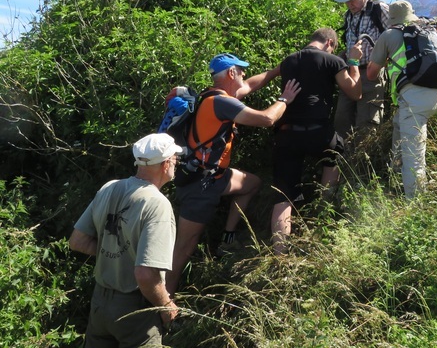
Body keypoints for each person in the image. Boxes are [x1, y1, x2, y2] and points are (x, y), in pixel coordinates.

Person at [166, 53, 301, 295]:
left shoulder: (214, 96)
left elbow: (249, 85)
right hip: (200, 185)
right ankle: (163, 305)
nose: (244, 75)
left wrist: (276, 71)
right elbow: (267, 119)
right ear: (231, 74)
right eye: (241, 70)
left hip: (216, 176)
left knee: (252, 184)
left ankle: (227, 240)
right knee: (183, 249)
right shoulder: (222, 103)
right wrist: (285, 99)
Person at [69, 133, 183, 347]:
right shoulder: (157, 204)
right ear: (166, 163)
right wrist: (167, 307)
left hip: (100, 304)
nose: (176, 163)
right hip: (135, 311)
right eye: (175, 158)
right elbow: (145, 274)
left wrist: (115, 251)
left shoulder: (108, 188)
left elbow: (78, 240)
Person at [270, 28, 363, 254]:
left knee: (283, 195)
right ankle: (322, 218)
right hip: (320, 132)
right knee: (333, 157)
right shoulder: (332, 61)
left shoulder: (289, 61)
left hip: (288, 133)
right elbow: (355, 93)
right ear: (330, 43)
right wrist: (353, 62)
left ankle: (279, 255)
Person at [367, 1, 437, 199]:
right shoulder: (425, 29)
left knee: (414, 155)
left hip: (416, 100)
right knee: (398, 124)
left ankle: (415, 205)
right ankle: (395, 176)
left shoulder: (388, 35)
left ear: (392, 18)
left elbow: (371, 74)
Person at [331, 0, 390, 140]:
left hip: (372, 73)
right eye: (347, 0)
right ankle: (342, 161)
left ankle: (362, 164)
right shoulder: (349, 15)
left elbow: (396, 36)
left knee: (367, 124)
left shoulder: (380, 9)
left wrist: (383, 61)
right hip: (350, 73)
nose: (350, 3)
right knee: (341, 120)